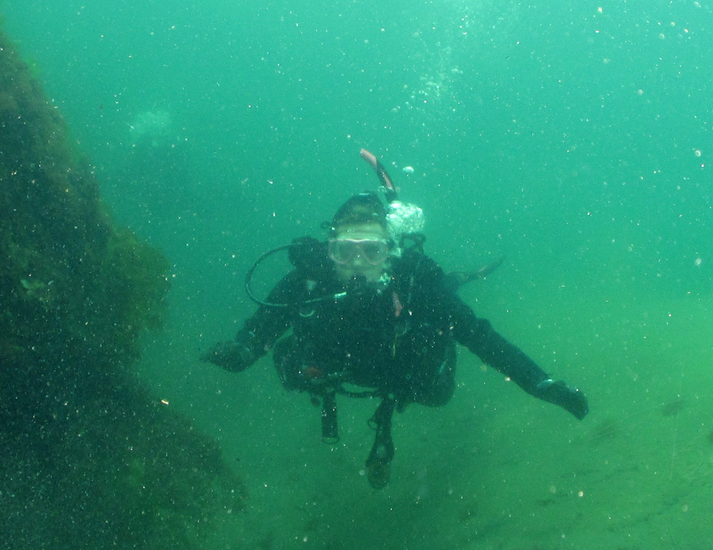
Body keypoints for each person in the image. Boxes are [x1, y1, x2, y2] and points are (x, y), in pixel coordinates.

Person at [202, 152, 589, 489]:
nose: (357, 264)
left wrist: (537, 382)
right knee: (289, 364)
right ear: (328, 252)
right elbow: (263, 326)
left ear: (390, 253)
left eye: (371, 251)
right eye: (344, 252)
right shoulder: (309, 280)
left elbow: (479, 336)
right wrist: (242, 352)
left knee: (437, 388)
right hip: (338, 367)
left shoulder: (415, 281)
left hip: (401, 370)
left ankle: (454, 282)